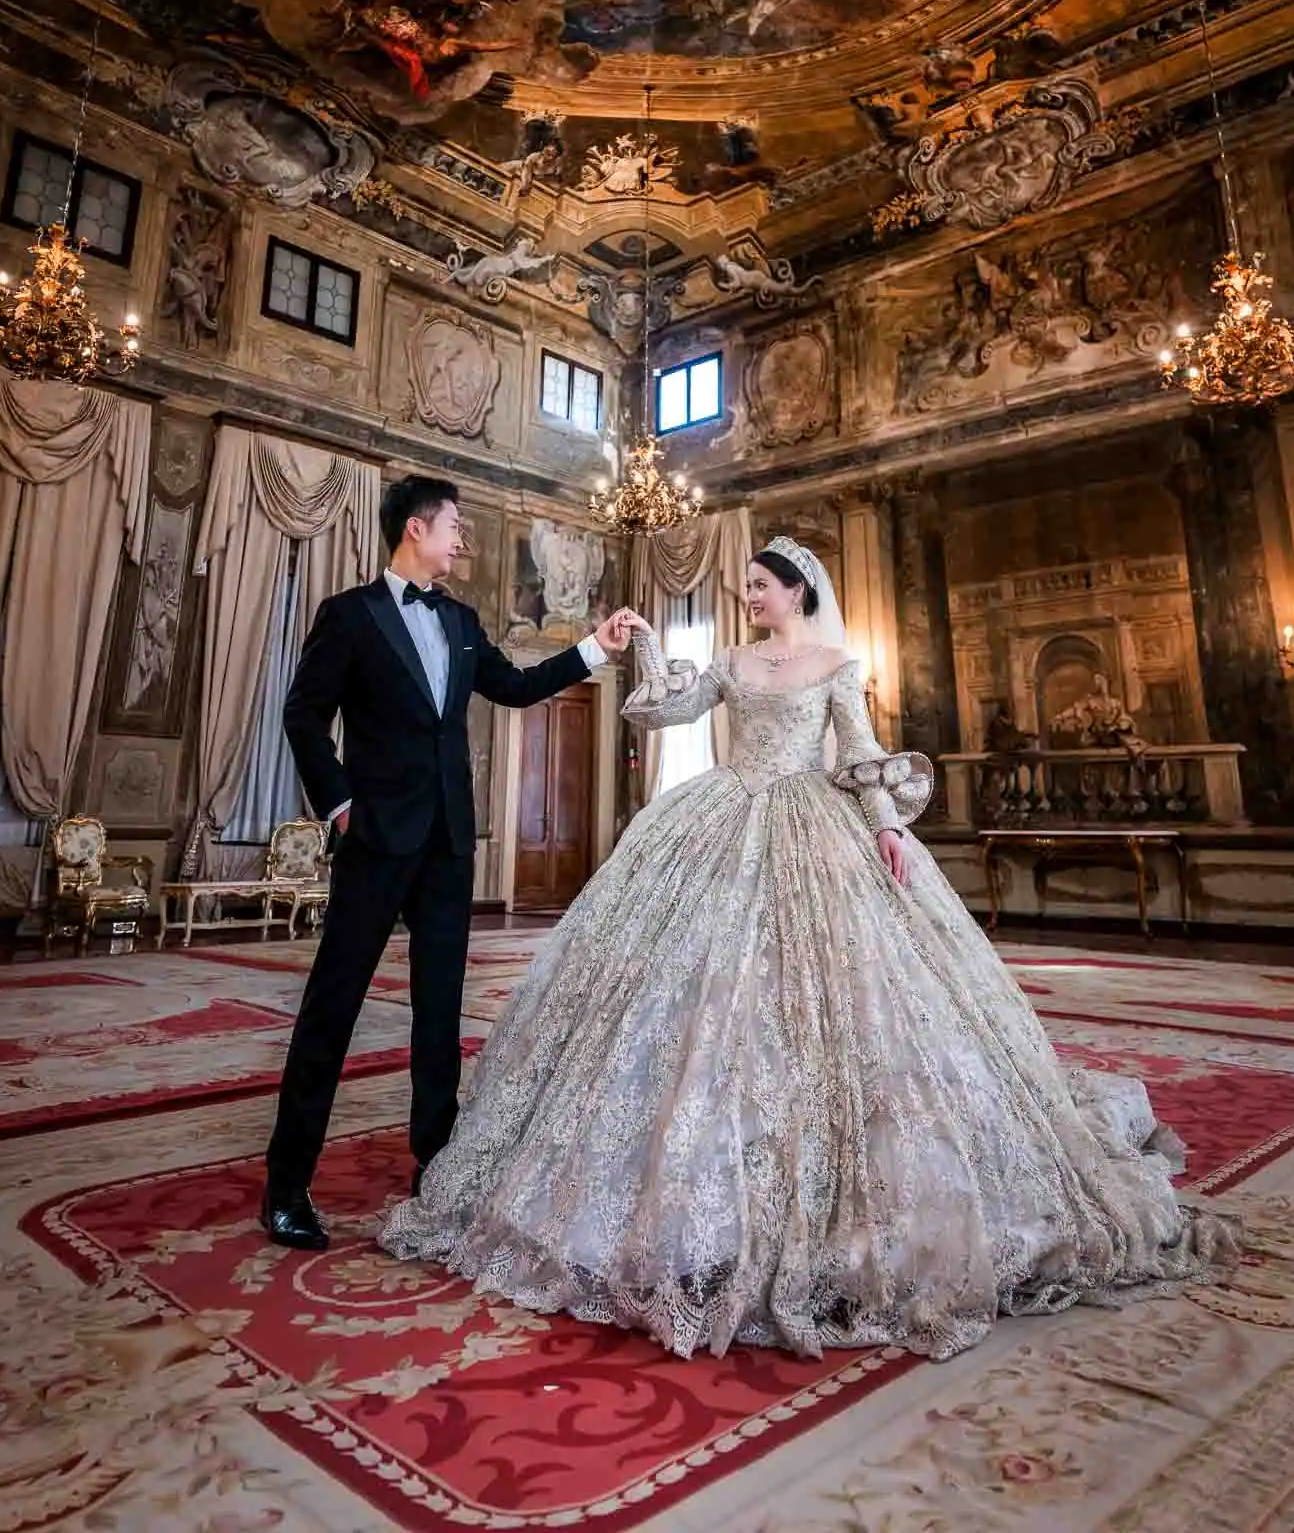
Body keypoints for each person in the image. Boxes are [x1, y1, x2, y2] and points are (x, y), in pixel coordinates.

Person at [379, 537, 1237, 1361]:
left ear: (797, 592)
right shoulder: (731, 661)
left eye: (760, 584)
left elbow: (858, 752)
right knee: (687, 991)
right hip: (718, 818)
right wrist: (639, 650)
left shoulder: (834, 666)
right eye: (745, 586)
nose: (748, 597)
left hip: (810, 823)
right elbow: (669, 707)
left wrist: (887, 829)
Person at [260, 475, 633, 1251]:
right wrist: (339, 803)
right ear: (416, 531)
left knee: (439, 1016)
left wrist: (596, 646)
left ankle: (438, 1167)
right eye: (454, 527)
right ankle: (286, 1185)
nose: (463, 541)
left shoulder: (461, 621)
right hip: (373, 839)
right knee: (333, 1006)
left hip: (446, 845)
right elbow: (302, 715)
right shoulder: (350, 616)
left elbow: (519, 686)